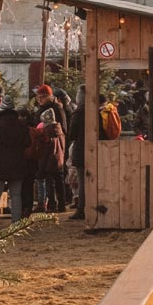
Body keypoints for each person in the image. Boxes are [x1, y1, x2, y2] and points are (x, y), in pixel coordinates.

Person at [0, 101, 31, 225]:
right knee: (16, 195)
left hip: (0, 164)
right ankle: (15, 224)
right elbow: (28, 143)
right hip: (18, 163)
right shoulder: (22, 125)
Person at [31, 108, 66, 213]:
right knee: (60, 184)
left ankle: (52, 205)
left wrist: (41, 167)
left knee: (50, 184)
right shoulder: (60, 131)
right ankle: (62, 205)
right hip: (59, 160)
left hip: (49, 162)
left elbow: (44, 151)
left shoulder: (46, 133)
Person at [67, 85, 87, 219]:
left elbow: (72, 133)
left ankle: (81, 208)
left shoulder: (78, 112)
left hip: (80, 149)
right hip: (93, 149)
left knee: (82, 181)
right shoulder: (94, 110)